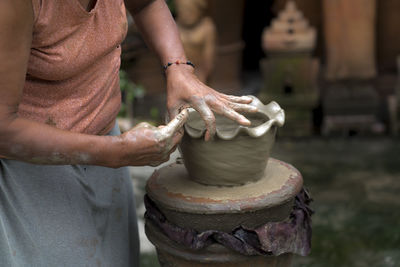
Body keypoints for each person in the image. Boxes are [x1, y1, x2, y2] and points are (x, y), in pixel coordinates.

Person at [0, 0, 256, 266]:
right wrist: (116, 152)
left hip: (106, 148)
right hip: (32, 166)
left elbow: (147, 4)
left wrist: (179, 68)